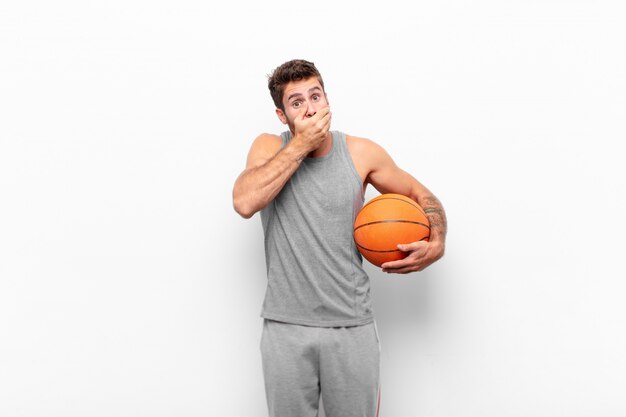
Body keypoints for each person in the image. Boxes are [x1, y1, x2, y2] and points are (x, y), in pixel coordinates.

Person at [232, 59, 447, 417]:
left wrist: (436, 240)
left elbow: (422, 196)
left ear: (328, 100)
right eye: (297, 101)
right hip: (286, 327)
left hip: (352, 324)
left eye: (316, 96)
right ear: (282, 115)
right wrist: (301, 145)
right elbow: (244, 201)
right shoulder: (269, 147)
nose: (311, 107)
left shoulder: (361, 153)